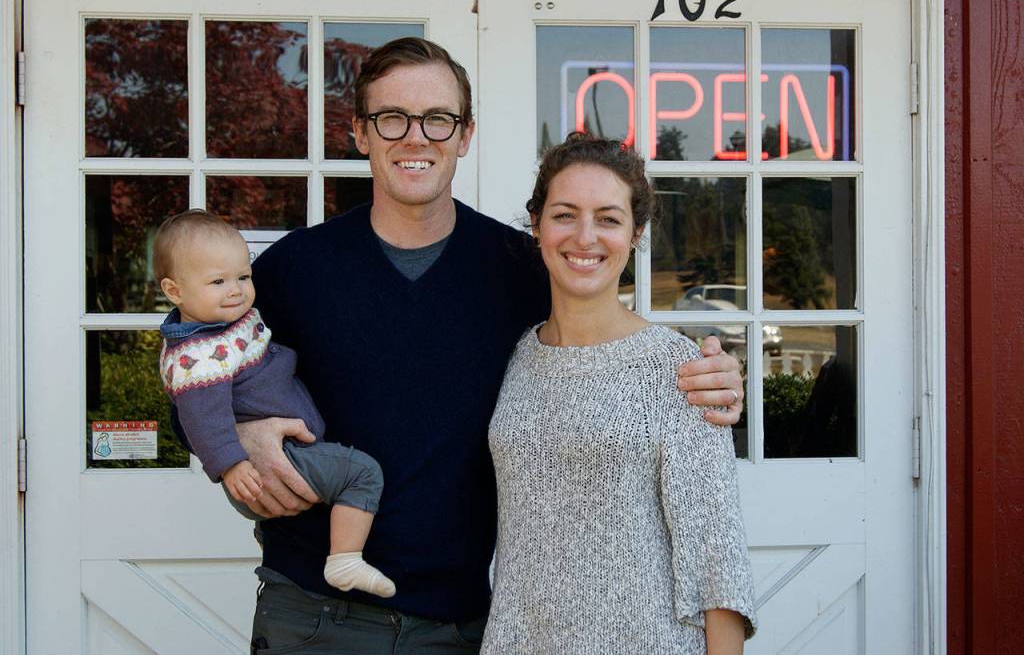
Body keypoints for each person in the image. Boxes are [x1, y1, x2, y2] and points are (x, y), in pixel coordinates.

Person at [180, 37, 745, 654]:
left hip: (462, 627)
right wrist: (236, 434)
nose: (415, 137)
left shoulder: (521, 271)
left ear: (465, 134)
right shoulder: (294, 268)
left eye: (438, 119)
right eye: (391, 118)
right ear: (361, 133)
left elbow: (602, 347)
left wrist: (712, 376)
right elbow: (190, 371)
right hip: (314, 617)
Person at [483, 134, 757, 654]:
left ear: (636, 234)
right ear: (536, 224)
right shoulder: (517, 356)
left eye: (608, 218)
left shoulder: (679, 371)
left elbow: (717, 562)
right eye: (565, 214)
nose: (585, 236)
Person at [155, 210, 396, 598]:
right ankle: (345, 559)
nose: (235, 289)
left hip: (287, 457)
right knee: (361, 474)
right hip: (275, 460)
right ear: (175, 291)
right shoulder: (199, 355)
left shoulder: (225, 323)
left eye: (243, 277)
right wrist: (231, 465)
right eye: (217, 281)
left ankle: (279, 538)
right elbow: (201, 415)